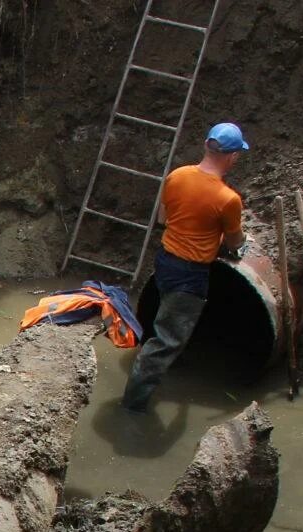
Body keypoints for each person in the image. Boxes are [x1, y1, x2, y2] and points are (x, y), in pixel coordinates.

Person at [121, 122, 249, 411]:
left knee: (167, 326)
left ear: (206, 145)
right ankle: (132, 405)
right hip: (190, 276)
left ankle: (156, 375)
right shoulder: (228, 199)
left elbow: (163, 219)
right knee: (165, 341)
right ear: (233, 157)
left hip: (165, 262)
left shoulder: (177, 176)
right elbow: (234, 241)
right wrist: (242, 240)